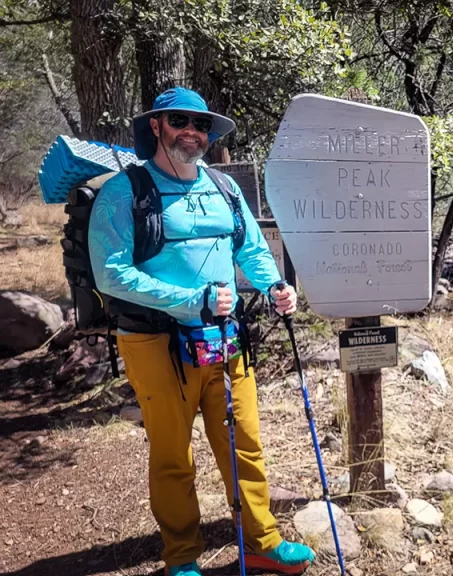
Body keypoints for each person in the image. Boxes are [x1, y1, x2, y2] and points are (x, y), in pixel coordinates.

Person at [88, 87, 315, 576]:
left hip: (225, 338)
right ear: (157, 126)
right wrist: (191, 301)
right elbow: (111, 273)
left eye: (201, 125)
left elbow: (250, 248)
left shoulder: (224, 188)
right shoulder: (125, 191)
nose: (192, 132)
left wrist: (274, 284)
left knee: (244, 442)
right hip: (155, 343)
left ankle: (261, 541)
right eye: (180, 121)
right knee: (173, 453)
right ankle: (182, 557)